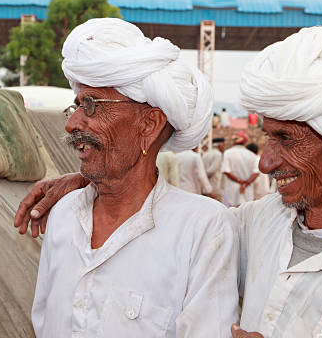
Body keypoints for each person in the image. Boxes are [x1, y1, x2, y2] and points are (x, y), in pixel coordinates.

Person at [17, 25, 322, 337]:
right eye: (268, 137)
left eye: (286, 139)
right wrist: (91, 176)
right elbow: (158, 217)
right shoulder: (255, 225)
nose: (264, 163)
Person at [27, 18, 239, 337]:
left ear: (149, 125)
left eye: (91, 105)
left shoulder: (202, 229)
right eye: (75, 105)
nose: (72, 123)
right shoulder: (64, 216)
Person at [221, 131, 260, 207]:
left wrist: (239, 181)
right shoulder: (252, 155)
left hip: (232, 191)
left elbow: (226, 171)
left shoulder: (228, 153)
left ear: (233, 141)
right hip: (247, 190)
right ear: (245, 142)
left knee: (231, 214)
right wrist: (245, 184)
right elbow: (256, 173)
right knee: (246, 214)